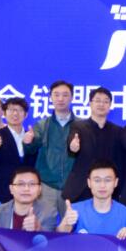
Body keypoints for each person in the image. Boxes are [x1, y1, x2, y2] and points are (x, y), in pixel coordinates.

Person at [61, 87, 122, 203]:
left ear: (110, 105)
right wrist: (73, 147)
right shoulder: (78, 126)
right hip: (81, 188)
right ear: (90, 103)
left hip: (107, 189)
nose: (101, 104)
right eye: (97, 100)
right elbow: (72, 142)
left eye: (105, 101)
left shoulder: (117, 131)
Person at [24, 80, 76, 212]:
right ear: (50, 97)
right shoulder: (42, 124)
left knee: (72, 223)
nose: (60, 99)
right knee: (44, 223)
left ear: (72, 97)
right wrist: (28, 142)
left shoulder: (81, 125)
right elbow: (30, 150)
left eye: (65, 95)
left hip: (73, 186)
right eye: (56, 94)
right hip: (46, 185)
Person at [57, 160, 126, 237]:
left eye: (107, 180)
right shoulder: (75, 210)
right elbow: (58, 238)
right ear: (89, 183)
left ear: (116, 182)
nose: (102, 185)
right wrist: (66, 224)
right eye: (97, 180)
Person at [0, 167, 61, 237]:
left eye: (32, 184)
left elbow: (51, 245)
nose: (26, 189)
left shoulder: (49, 212)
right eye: (20, 184)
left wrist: (38, 229)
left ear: (40, 189)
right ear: (11, 189)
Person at [0, 96, 32, 202]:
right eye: (11, 110)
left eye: (19, 110)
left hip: (26, 190)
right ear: (4, 113)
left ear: (26, 114)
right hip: (1, 190)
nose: (15, 114)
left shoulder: (31, 136)